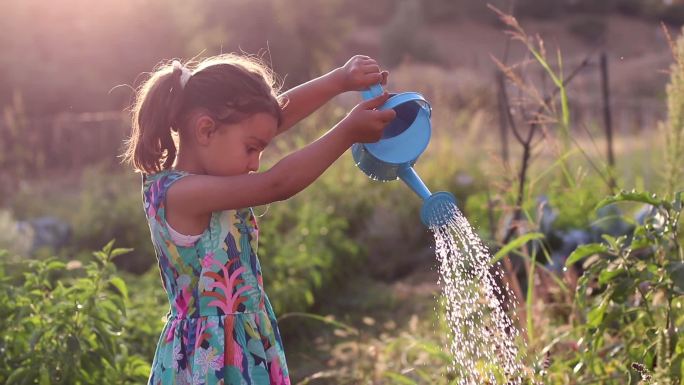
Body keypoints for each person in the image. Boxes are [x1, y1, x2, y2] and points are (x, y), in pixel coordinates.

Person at [122, 53, 395, 385]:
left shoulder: (217, 167)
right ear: (206, 130)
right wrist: (347, 132)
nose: (255, 163)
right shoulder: (180, 194)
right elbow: (276, 183)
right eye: (252, 149)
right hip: (208, 362)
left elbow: (268, 121)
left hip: (246, 346)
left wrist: (339, 80)